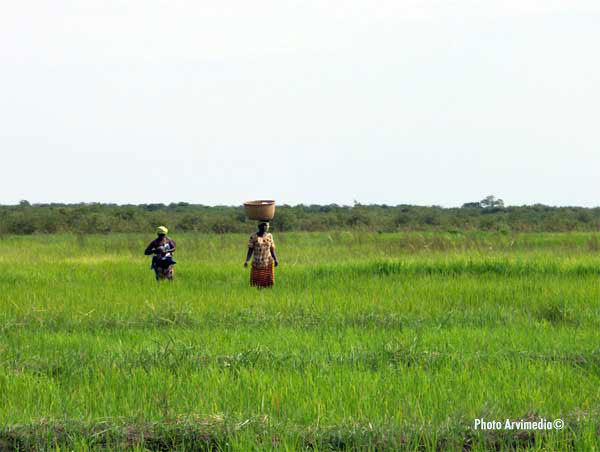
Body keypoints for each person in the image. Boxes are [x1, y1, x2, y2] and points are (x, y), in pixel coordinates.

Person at [244, 222, 278, 287]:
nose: (267, 227)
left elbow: (272, 249)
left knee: (269, 282)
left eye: (267, 225)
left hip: (268, 262)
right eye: (265, 225)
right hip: (257, 262)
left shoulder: (269, 236)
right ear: (259, 226)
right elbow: (250, 250)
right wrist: (247, 260)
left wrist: (275, 259)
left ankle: (267, 295)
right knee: (256, 283)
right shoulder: (253, 236)